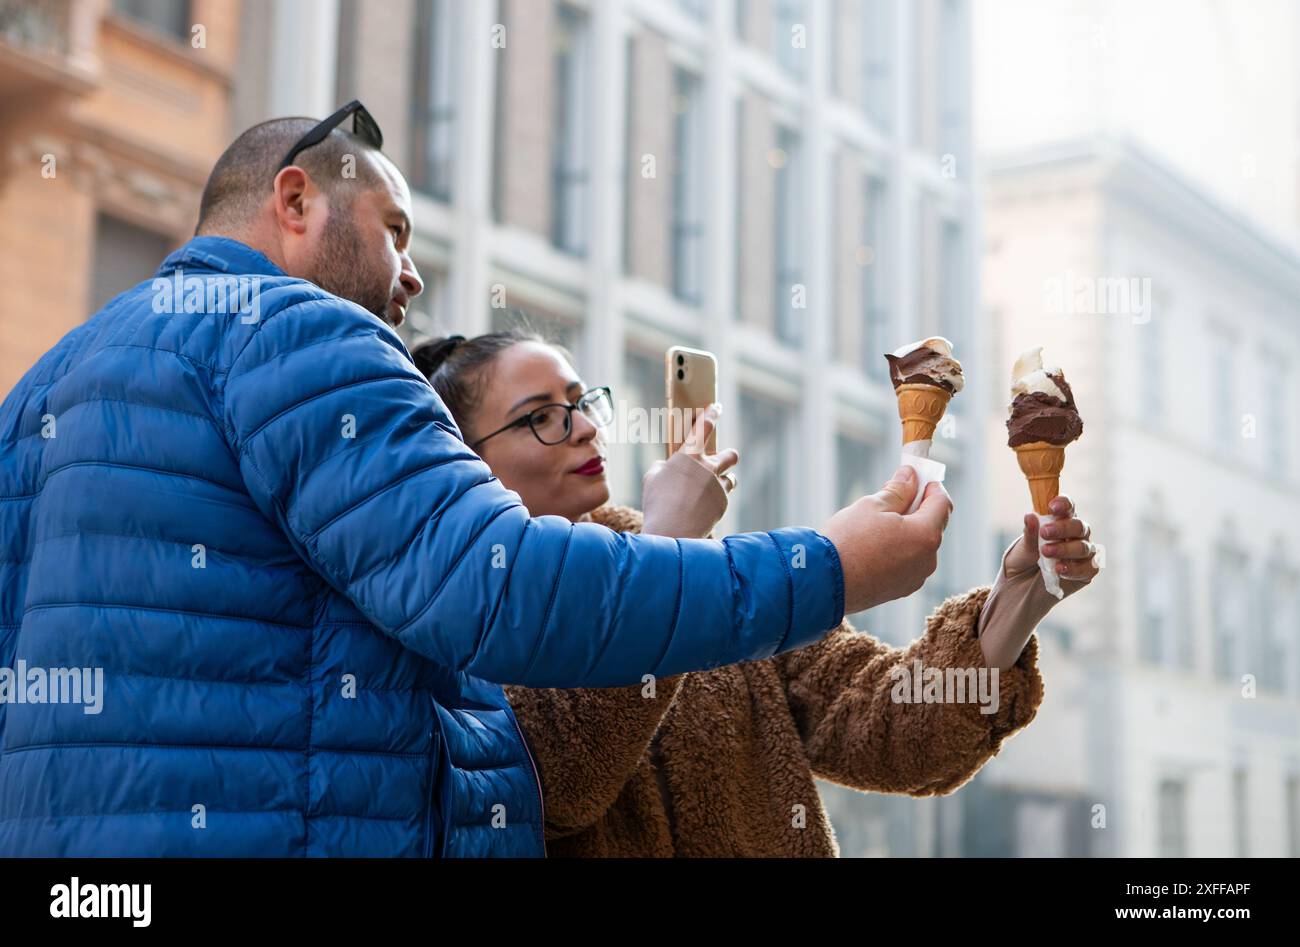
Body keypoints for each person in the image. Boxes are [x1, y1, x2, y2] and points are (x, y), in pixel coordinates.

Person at [0, 103, 949, 856]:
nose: (409, 277)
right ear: (295, 201)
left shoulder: (38, 388)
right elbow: (501, 589)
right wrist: (831, 564)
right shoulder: (302, 331)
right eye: (394, 231)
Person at [415, 330, 1100, 856]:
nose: (588, 426)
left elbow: (889, 729)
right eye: (542, 416)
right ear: (461, 454)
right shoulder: (451, 612)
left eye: (582, 402)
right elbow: (561, 784)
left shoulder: (720, 566)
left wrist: (1017, 602)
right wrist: (668, 544)